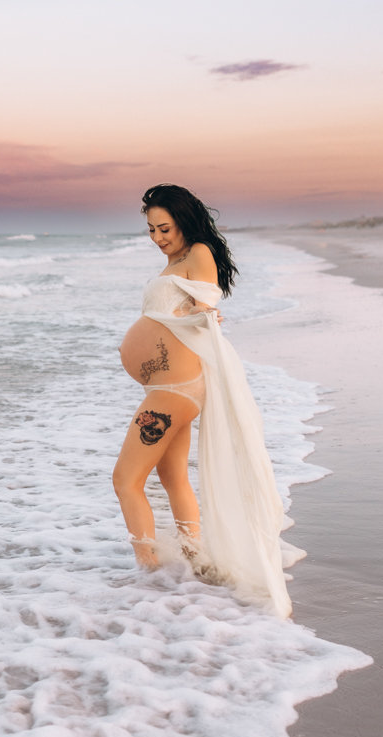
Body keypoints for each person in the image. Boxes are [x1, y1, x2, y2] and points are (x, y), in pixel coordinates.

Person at [113, 184, 297, 618]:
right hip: (169, 388)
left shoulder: (197, 251)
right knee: (173, 474)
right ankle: (197, 562)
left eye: (164, 228)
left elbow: (208, 302)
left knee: (125, 480)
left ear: (184, 221)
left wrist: (199, 312)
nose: (158, 237)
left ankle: (149, 573)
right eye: (151, 230)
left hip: (173, 390)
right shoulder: (177, 260)